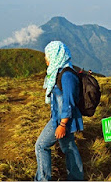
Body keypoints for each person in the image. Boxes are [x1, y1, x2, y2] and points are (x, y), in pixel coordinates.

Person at [35, 41, 84, 181]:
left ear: (56, 55)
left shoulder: (67, 75)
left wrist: (62, 125)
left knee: (41, 146)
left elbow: (69, 102)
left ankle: (43, 179)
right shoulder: (58, 72)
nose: (46, 59)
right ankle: (76, 178)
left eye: (48, 55)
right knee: (69, 148)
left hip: (63, 121)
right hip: (59, 119)